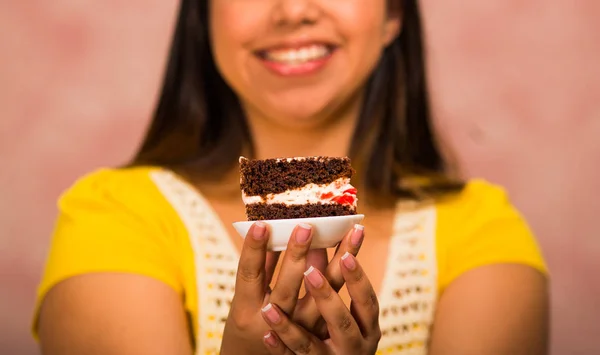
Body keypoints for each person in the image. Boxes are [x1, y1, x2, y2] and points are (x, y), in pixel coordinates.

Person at [33, 0, 549, 354]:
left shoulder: (481, 227)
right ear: (204, 16)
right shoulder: (114, 214)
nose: (293, 9)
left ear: (393, 14)